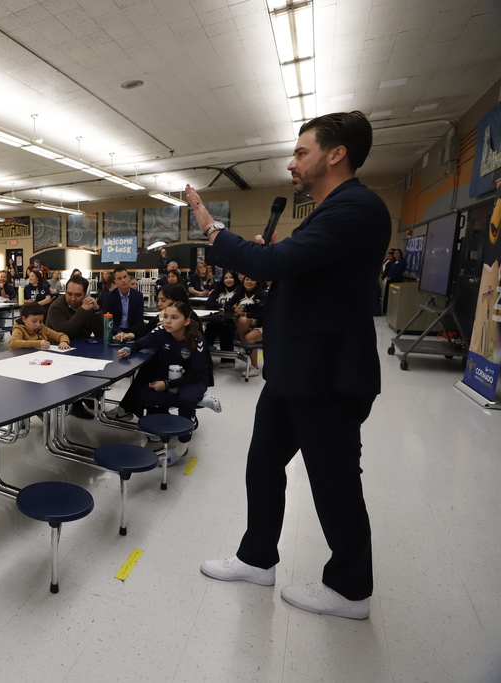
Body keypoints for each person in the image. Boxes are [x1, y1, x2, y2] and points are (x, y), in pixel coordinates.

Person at [194, 111, 390, 620]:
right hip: (294, 369)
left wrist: (214, 230)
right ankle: (257, 558)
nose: (292, 162)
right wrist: (275, 262)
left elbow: (276, 265)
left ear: (336, 153)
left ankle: (350, 591)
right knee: (263, 463)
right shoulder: (327, 212)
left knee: (334, 478)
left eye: (302, 152)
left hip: (327, 373)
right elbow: (298, 273)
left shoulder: (357, 207)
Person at [117, 301, 207, 463]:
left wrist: (167, 385)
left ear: (186, 321)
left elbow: (197, 374)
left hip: (192, 379)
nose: (168, 321)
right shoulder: (161, 331)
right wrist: (129, 349)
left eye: (174, 318)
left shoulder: (196, 338)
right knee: (142, 395)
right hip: (170, 376)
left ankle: (182, 446)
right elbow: (142, 342)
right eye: (165, 316)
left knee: (186, 399)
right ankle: (194, 404)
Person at [46, 274, 102, 340]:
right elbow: (65, 333)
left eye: (77, 295)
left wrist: (96, 311)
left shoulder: (88, 305)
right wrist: (82, 310)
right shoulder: (56, 307)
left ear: (85, 294)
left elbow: (100, 334)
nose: (73, 299)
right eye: (69, 294)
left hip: (84, 346)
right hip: (59, 346)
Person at [234, 276, 266, 373]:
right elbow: (227, 305)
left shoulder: (263, 295)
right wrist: (234, 309)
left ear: (257, 282)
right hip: (244, 326)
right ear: (243, 282)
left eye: (252, 279)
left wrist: (247, 314)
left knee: (249, 337)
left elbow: (264, 314)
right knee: (242, 320)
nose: (249, 282)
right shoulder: (239, 294)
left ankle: (254, 367)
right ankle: (244, 346)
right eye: (247, 279)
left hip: (261, 326)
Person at [102, 267, 144, 334]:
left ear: (129, 278)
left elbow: (139, 320)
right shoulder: (109, 297)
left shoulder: (138, 296)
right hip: (115, 331)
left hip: (132, 332)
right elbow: (108, 319)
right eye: (119, 278)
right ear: (115, 282)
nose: (123, 280)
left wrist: (132, 334)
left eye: (125, 277)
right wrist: (119, 332)